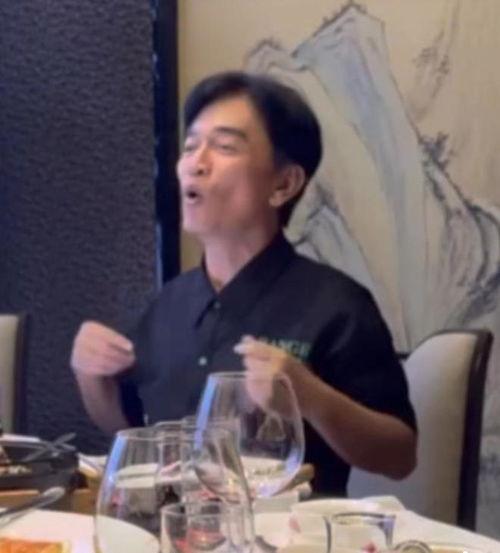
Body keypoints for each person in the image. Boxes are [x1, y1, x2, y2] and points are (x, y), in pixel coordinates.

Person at [71, 71, 417, 495]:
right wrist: (91, 377)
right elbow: (128, 432)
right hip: (173, 524)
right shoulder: (169, 303)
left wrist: (310, 396)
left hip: (291, 527)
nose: (195, 163)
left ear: (283, 184)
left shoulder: (337, 305)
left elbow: (400, 455)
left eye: (224, 147)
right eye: (190, 146)